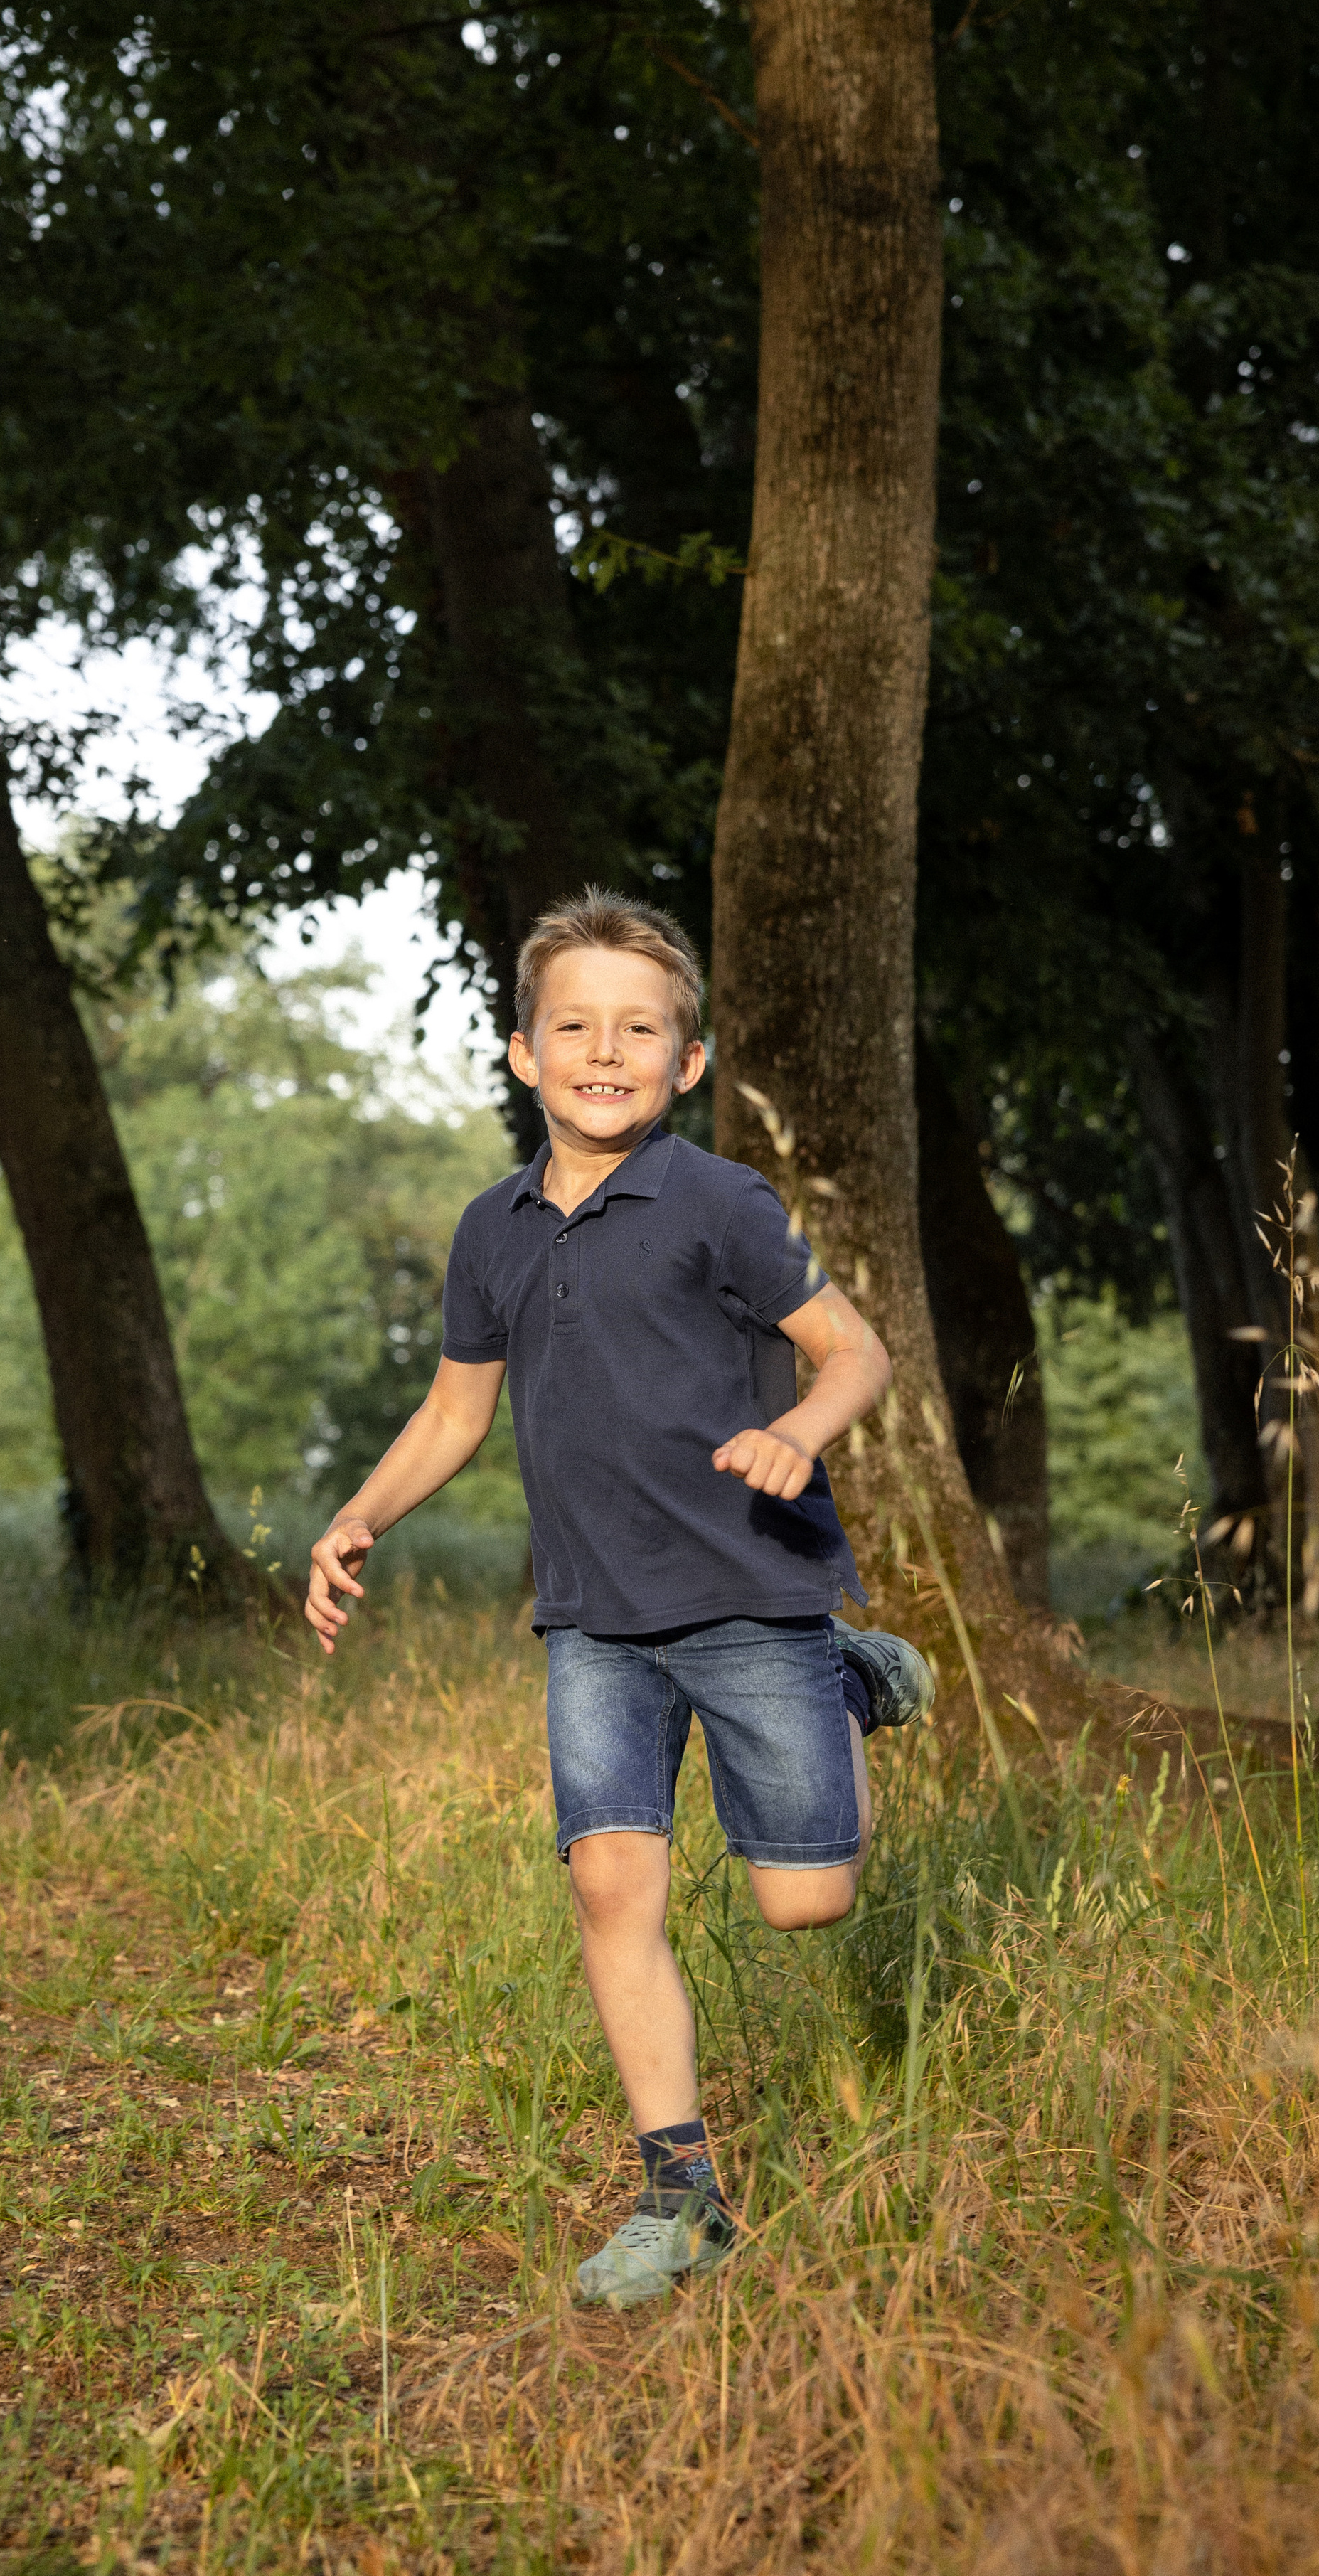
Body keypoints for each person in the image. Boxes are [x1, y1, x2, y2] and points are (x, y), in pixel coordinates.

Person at [305, 887, 933, 2310]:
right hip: (592, 1614)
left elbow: (855, 1353)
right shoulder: (491, 1229)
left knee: (805, 1903)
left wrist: (800, 1432)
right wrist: (358, 1516)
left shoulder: (719, 1200)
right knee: (607, 1884)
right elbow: (454, 1413)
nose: (605, 1051)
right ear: (523, 1053)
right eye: (575, 1026)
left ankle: (846, 1678)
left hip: (747, 1589)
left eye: (639, 1030)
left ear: (686, 1062)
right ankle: (681, 2197)